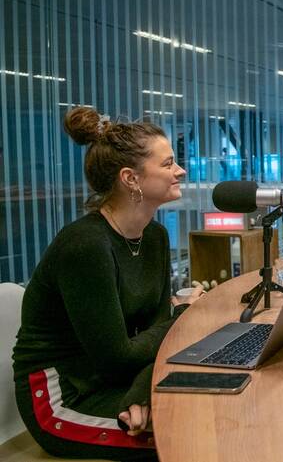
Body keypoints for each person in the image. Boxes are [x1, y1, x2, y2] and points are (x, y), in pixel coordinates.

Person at [13, 107, 202, 461]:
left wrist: (141, 393)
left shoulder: (155, 236)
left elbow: (157, 337)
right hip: (64, 398)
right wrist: (185, 316)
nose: (180, 170)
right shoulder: (86, 246)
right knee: (192, 438)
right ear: (130, 178)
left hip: (116, 381)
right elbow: (118, 357)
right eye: (168, 164)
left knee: (211, 413)